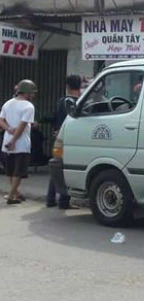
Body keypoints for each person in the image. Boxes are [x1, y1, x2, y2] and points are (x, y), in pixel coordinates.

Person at [46, 75, 82, 209]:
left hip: (60, 139)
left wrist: (56, 130)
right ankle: (63, 201)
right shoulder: (81, 102)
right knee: (68, 169)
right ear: (80, 86)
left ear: (67, 86)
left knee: (57, 167)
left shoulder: (62, 101)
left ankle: (51, 199)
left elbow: (55, 118)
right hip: (74, 140)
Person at [0, 80, 37, 205]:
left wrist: (8, 129)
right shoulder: (29, 106)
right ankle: (11, 196)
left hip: (6, 142)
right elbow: (22, 125)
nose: (33, 95)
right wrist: (14, 141)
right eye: (32, 93)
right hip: (21, 144)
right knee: (18, 172)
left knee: (10, 171)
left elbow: (1, 120)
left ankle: (16, 193)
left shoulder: (8, 103)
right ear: (27, 93)